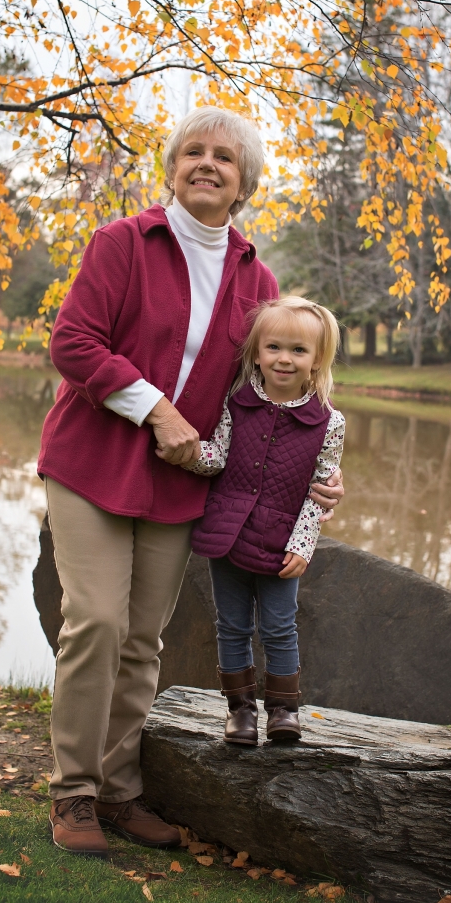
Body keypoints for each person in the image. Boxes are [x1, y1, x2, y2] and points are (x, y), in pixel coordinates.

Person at [37, 106, 345, 857]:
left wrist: (316, 477)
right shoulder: (124, 243)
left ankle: (121, 792)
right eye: (194, 153)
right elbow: (72, 342)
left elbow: (275, 392)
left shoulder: (258, 277)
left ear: (244, 185)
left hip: (182, 482)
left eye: (225, 158)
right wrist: (156, 410)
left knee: (143, 639)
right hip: (92, 461)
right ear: (172, 169)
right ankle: (73, 792)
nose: (208, 164)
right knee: (98, 623)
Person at [168, 296, 344, 744]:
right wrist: (187, 453)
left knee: (280, 627)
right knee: (231, 626)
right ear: (257, 353)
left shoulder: (329, 423)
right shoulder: (236, 402)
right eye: (274, 348)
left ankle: (284, 712)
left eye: (298, 351)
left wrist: (303, 544)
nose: (284, 359)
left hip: (282, 542)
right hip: (226, 534)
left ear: (317, 360)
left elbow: (320, 493)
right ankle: (240, 712)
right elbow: (218, 457)